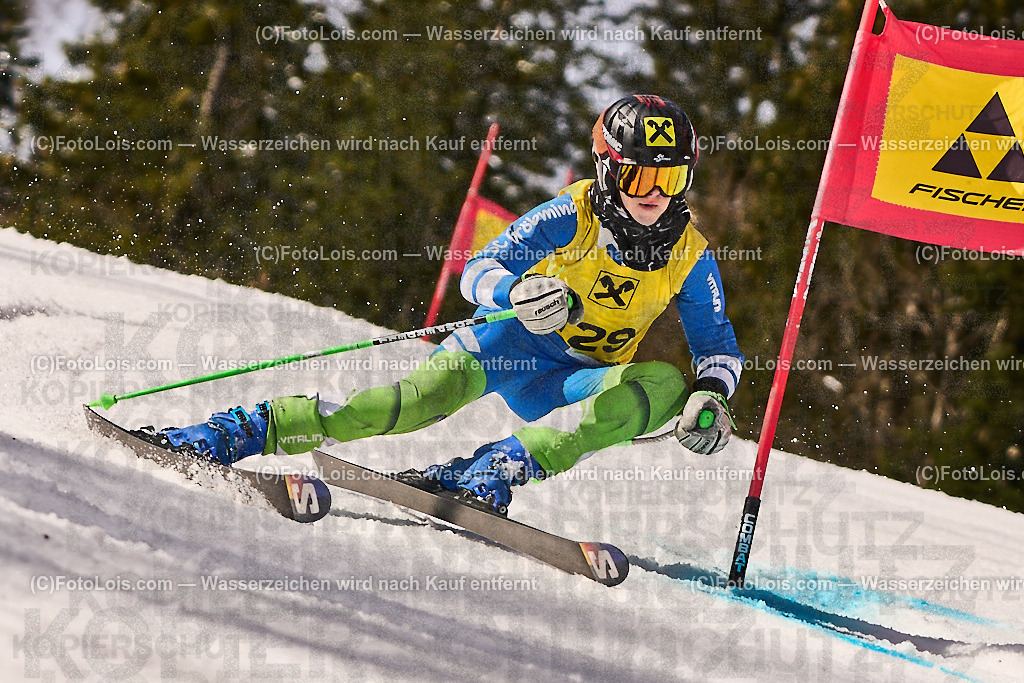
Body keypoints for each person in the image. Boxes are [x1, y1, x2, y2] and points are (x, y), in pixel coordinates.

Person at [151, 94, 744, 516]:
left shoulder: (690, 256)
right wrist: (515, 293)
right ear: (609, 169)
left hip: (572, 383)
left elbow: (717, 347)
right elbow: (477, 269)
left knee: (665, 383)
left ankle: (495, 468)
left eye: (670, 181)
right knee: (405, 407)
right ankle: (248, 429)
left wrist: (713, 398)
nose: (655, 197)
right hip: (507, 346)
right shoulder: (575, 212)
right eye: (640, 179)